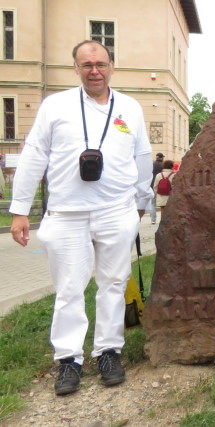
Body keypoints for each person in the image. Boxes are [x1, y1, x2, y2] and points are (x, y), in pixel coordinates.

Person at [9, 40, 153, 396]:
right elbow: (33, 155)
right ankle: (69, 360)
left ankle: (108, 351)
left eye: (100, 64)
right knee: (69, 290)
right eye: (86, 65)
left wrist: (141, 204)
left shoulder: (130, 107)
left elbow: (142, 157)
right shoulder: (55, 105)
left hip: (116, 211)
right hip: (66, 213)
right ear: (76, 68)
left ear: (112, 66)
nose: (94, 71)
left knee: (114, 284)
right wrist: (19, 210)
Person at [150, 152, 164, 224]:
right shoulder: (163, 165)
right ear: (161, 158)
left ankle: (153, 219)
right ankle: (163, 219)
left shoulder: (152, 164)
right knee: (163, 204)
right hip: (163, 187)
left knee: (153, 204)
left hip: (152, 186)